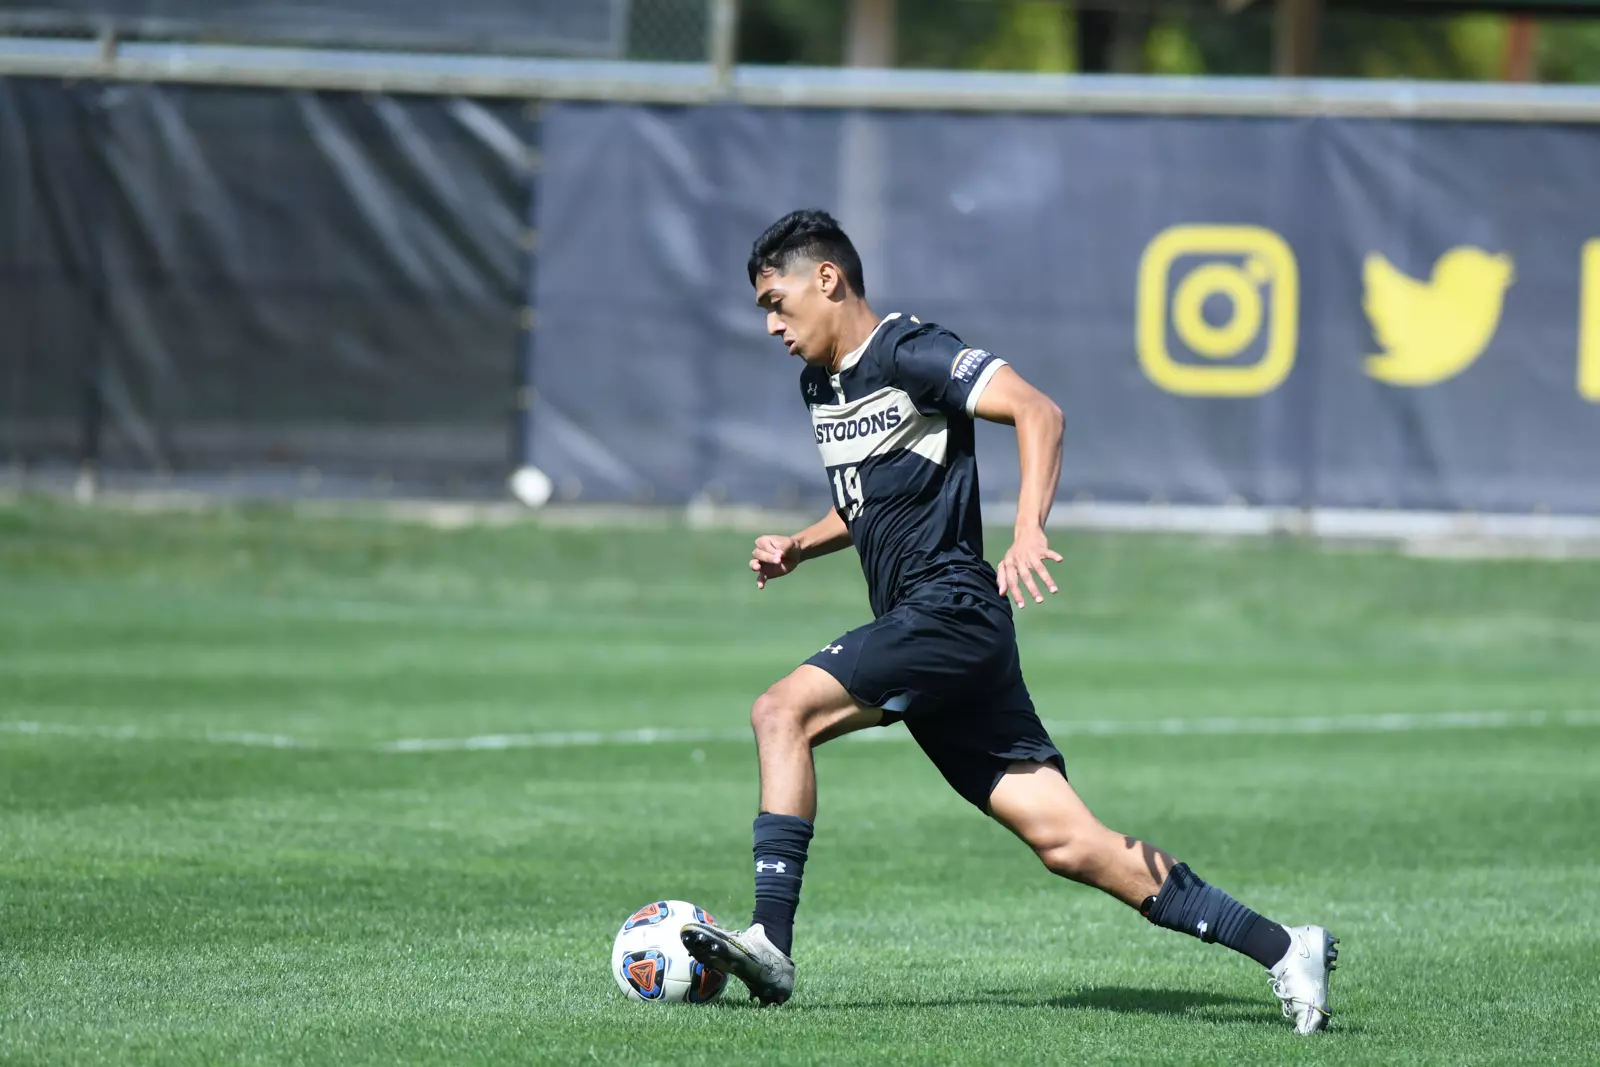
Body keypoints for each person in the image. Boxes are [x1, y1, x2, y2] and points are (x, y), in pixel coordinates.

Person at [679, 209, 1337, 1033]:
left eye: (777, 302)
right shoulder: (822, 383)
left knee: (781, 711)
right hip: (944, 637)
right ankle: (1286, 946)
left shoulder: (909, 349)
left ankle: (770, 941)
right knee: (1073, 844)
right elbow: (871, 501)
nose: (772, 324)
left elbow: (1039, 412)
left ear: (828, 279)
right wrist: (802, 547)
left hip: (950, 610)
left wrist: (1029, 528)